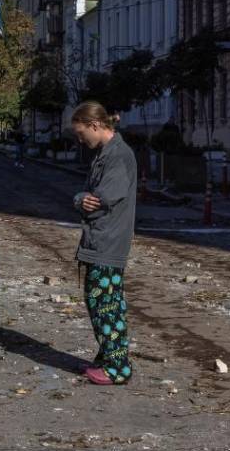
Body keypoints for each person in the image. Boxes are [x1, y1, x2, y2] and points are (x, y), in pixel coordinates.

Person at [70, 101, 136, 386]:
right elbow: (86, 196)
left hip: (108, 241)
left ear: (95, 125)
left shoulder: (118, 156)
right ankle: (108, 357)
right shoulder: (105, 154)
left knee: (105, 304)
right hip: (101, 240)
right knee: (102, 302)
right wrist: (80, 199)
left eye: (81, 132)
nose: (80, 139)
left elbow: (99, 200)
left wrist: (82, 200)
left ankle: (117, 367)